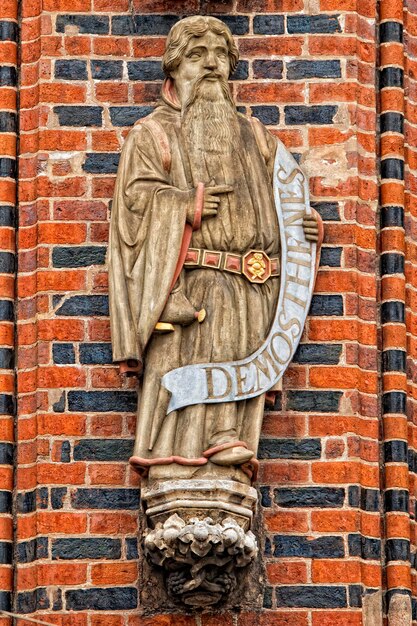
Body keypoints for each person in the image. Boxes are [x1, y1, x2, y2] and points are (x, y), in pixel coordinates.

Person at [108, 15, 319, 480]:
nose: (211, 66)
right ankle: (181, 465)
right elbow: (134, 203)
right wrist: (184, 204)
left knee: (237, 362)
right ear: (174, 67)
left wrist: (305, 228)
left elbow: (283, 202)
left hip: (254, 287)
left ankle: (227, 450)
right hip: (193, 283)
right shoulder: (153, 134)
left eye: (220, 57)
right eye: (197, 56)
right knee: (195, 363)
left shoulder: (256, 138)